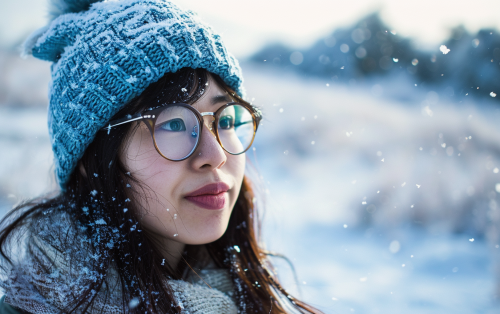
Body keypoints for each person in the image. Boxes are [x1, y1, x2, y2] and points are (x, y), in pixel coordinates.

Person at [0, 0, 322, 313]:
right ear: (90, 159)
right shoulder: (35, 304)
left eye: (224, 120)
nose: (215, 156)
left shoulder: (238, 291)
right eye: (174, 124)